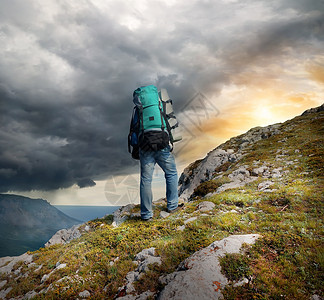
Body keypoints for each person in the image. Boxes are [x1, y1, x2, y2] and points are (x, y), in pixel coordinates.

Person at [133, 87, 181, 221]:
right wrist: (171, 140)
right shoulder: (161, 103)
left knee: (146, 180)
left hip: (145, 145)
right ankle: (172, 206)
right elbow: (169, 120)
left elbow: (134, 128)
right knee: (171, 173)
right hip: (162, 143)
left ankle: (146, 215)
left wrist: (136, 147)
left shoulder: (139, 109)